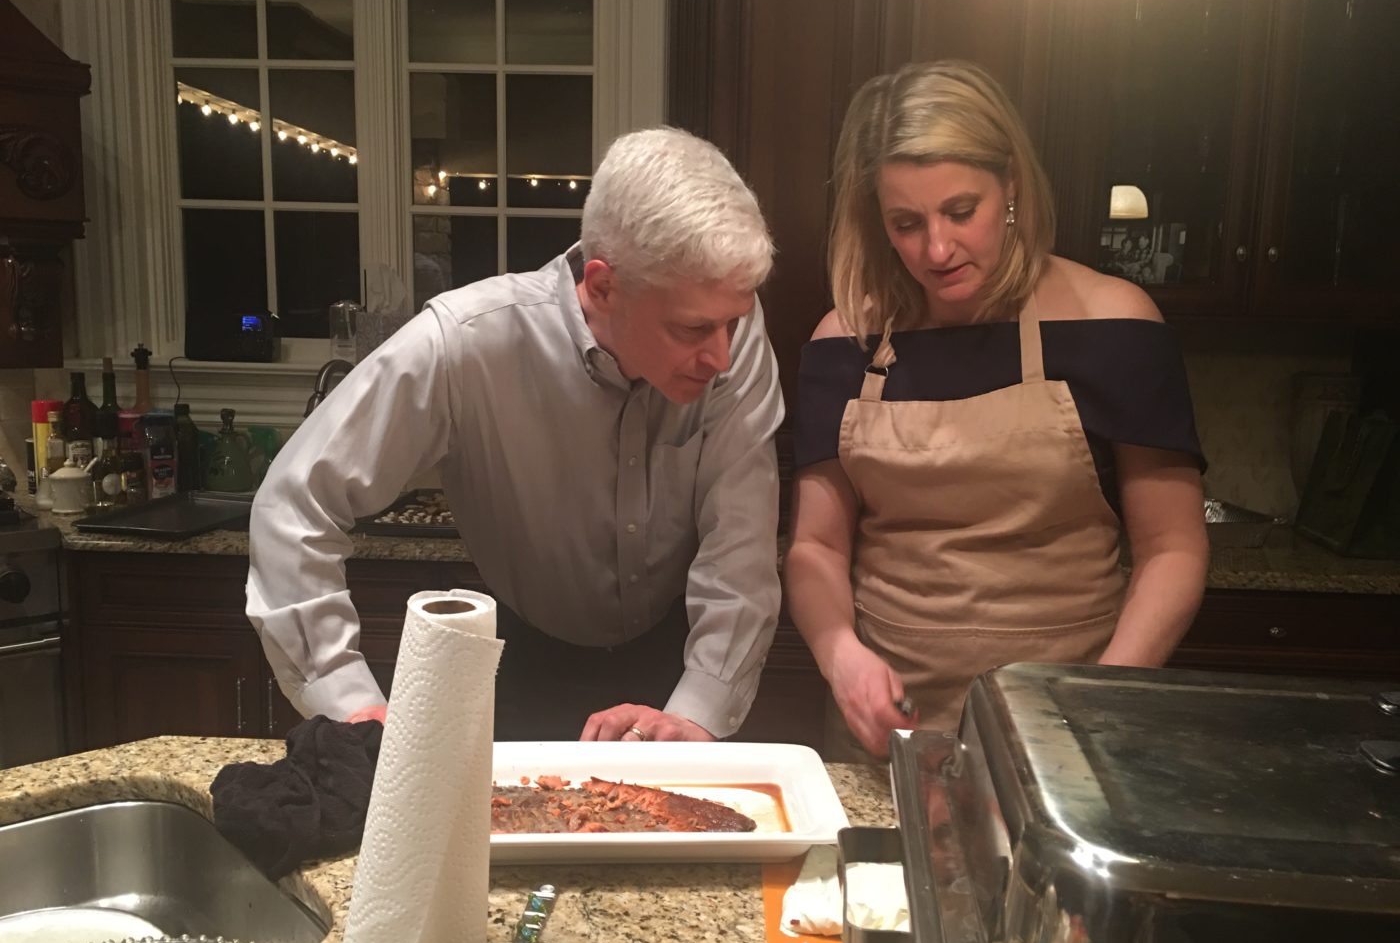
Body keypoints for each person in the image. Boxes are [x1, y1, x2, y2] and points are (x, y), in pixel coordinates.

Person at [247, 127, 784, 744]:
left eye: (732, 325)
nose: (721, 355)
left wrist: (698, 713)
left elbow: (739, 549)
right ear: (605, 287)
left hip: (680, 657)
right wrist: (348, 704)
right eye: (693, 330)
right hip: (521, 658)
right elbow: (293, 505)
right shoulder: (468, 343)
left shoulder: (728, 331)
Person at [785, 61, 1208, 759]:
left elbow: (1174, 549)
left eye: (961, 211)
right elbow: (817, 547)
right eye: (906, 223)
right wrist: (840, 655)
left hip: (1075, 728)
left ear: (1010, 185)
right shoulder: (845, 342)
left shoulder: (1114, 323)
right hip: (893, 736)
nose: (937, 249)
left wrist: (1100, 701)